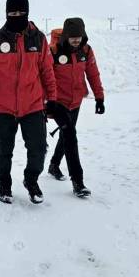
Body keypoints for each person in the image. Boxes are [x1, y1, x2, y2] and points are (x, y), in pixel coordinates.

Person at [0, 0, 59, 204]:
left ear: (27, 13)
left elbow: (47, 70)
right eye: (12, 12)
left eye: (21, 12)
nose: (16, 15)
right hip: (3, 107)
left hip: (33, 105)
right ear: (6, 13)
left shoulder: (38, 39)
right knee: (4, 150)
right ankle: (4, 183)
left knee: (38, 148)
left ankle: (31, 180)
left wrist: (53, 99)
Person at [47, 17, 105, 197]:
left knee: (66, 134)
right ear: (65, 36)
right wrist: (47, 101)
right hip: (58, 102)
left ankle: (54, 165)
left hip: (76, 101)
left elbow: (93, 74)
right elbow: (45, 76)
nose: (75, 40)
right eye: (72, 37)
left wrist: (99, 97)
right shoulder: (54, 52)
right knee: (71, 136)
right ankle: (78, 182)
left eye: (78, 37)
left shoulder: (86, 51)